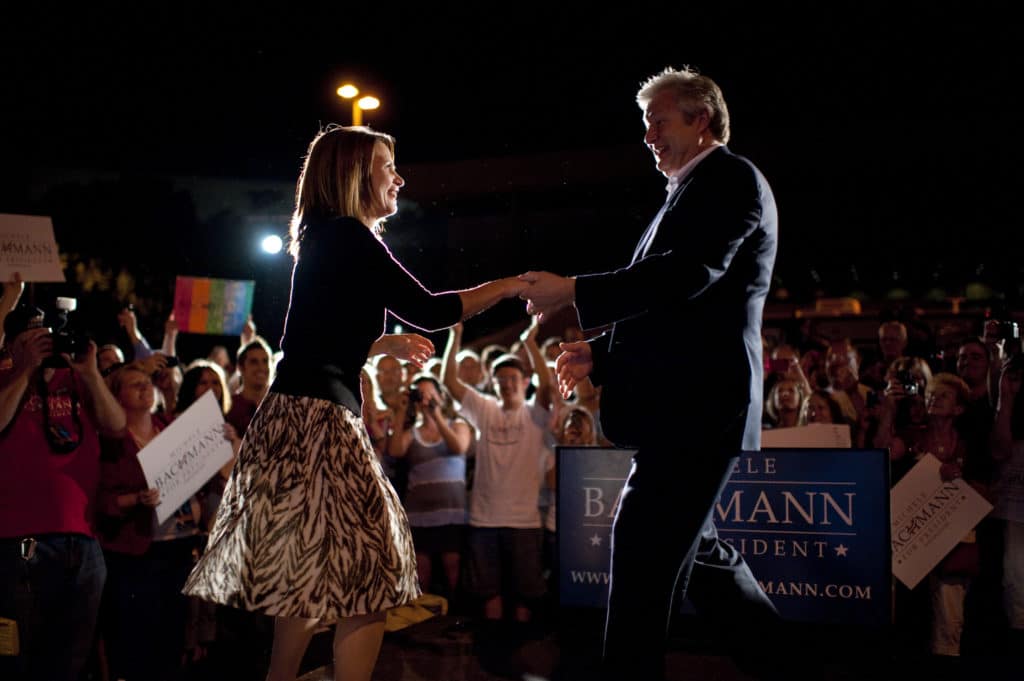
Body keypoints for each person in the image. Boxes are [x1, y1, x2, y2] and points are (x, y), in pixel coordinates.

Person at [182, 124, 525, 681]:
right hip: (317, 418)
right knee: (376, 570)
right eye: (389, 166)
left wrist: (375, 344)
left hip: (296, 414)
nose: (400, 177)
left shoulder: (326, 237)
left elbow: (311, 336)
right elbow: (432, 310)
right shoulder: (349, 236)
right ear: (354, 173)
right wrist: (509, 285)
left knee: (310, 571)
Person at [519, 66, 780, 680]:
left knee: (641, 560)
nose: (648, 136)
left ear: (701, 120)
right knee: (703, 561)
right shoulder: (692, 190)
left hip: (696, 412)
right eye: (645, 125)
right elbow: (675, 307)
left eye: (658, 122)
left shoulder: (731, 178)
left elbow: (687, 275)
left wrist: (573, 290)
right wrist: (600, 355)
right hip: (688, 410)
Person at [0, 300, 127, 681]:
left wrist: (90, 374)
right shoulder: (6, 372)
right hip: (18, 540)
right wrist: (25, 369)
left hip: (82, 544)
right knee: (15, 661)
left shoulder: (73, 376)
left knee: (68, 663)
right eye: (32, 335)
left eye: (46, 334)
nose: (43, 341)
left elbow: (116, 425)